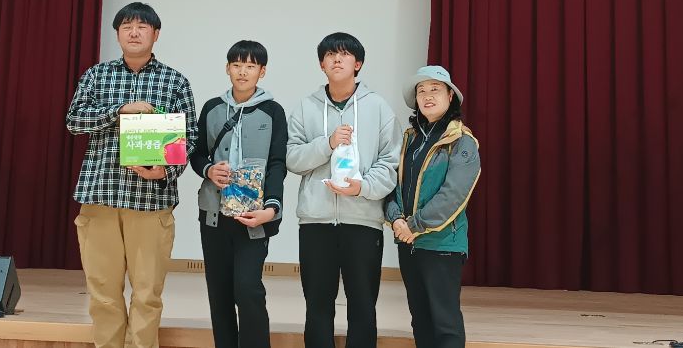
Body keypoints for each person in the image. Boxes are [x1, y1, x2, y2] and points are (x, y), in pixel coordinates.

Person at [66, 2, 198, 348]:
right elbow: (74, 120)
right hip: (101, 197)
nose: (134, 32)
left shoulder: (174, 81)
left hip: (150, 201)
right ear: (118, 34)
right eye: (127, 26)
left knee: (147, 295)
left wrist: (165, 169)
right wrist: (120, 110)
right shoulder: (97, 75)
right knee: (103, 293)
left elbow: (190, 138)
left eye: (142, 27)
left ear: (156, 34)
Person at [286, 32, 401, 348]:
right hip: (316, 222)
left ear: (357, 64)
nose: (337, 59)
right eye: (330, 55)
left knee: (363, 305)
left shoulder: (378, 107)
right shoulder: (306, 107)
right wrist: (327, 143)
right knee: (317, 305)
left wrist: (363, 187)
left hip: (363, 221)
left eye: (345, 54)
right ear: (322, 64)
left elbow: (390, 162)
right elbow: (293, 158)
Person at [189, 40, 288, 348]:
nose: (243, 72)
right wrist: (209, 170)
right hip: (214, 214)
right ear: (227, 68)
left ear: (262, 71)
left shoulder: (273, 111)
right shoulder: (212, 108)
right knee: (218, 294)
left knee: (247, 289)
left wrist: (272, 206)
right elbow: (196, 153)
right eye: (237, 65)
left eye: (250, 66)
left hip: (253, 215)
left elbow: (277, 163)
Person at [385, 66, 481, 348]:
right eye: (421, 91)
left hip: (442, 244)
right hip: (408, 243)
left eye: (435, 90)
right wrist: (396, 219)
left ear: (450, 96)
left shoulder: (462, 141)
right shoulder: (409, 139)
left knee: (445, 322)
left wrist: (413, 226)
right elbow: (393, 186)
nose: (427, 96)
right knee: (420, 319)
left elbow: (453, 195)